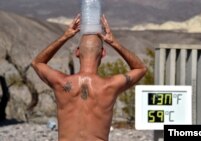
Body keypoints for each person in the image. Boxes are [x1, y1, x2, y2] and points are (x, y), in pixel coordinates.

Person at [31, 13, 147, 141]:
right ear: (103, 53)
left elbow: (37, 63)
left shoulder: (61, 83)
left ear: (77, 52)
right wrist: (114, 43)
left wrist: (65, 36)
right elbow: (140, 68)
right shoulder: (110, 86)